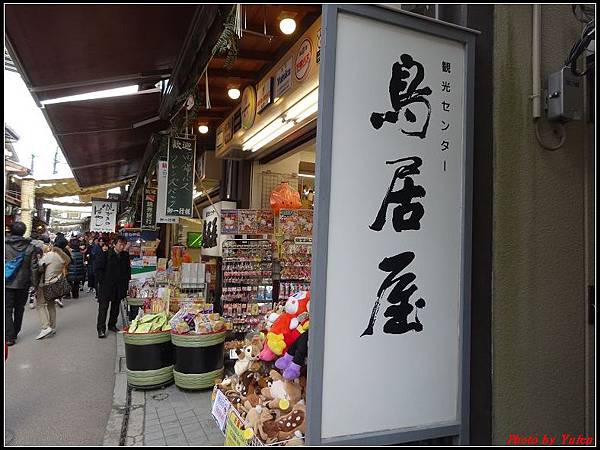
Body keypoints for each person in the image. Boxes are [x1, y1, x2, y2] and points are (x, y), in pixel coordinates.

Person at [5, 222, 40, 346]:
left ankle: (9, 337)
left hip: (6, 283)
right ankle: (14, 333)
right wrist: (35, 285)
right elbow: (34, 268)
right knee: (19, 309)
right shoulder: (30, 247)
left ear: (11, 231)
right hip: (23, 284)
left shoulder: (5, 245)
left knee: (7, 310)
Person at [96, 237, 130, 338]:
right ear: (114, 244)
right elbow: (98, 269)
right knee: (103, 308)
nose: (122, 246)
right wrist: (101, 281)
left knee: (115, 307)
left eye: (123, 244)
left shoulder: (125, 255)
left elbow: (128, 270)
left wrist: (126, 284)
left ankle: (112, 325)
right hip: (106, 286)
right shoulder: (105, 254)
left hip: (119, 286)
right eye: (120, 244)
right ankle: (101, 329)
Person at [34, 242, 69, 339]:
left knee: (40, 305)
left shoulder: (51, 255)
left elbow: (39, 264)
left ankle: (45, 327)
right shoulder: (62, 257)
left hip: (46, 284)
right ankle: (52, 327)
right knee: (51, 305)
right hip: (54, 283)